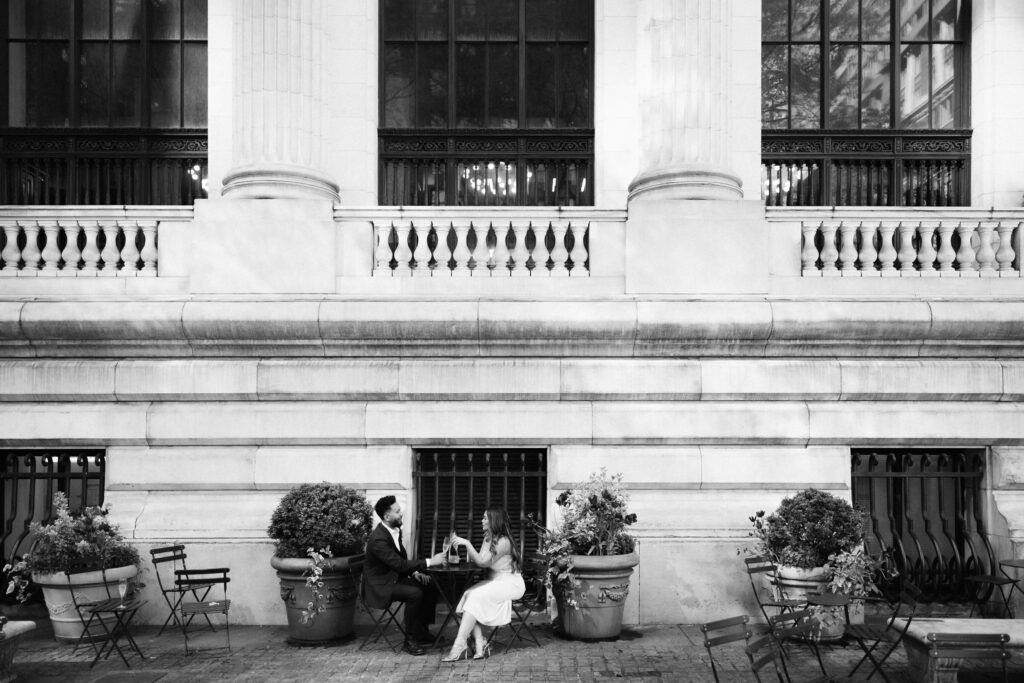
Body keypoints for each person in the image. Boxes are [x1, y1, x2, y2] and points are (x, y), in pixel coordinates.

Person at [363, 495, 448, 656]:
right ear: (387, 517)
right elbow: (399, 564)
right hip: (380, 585)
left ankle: (422, 632)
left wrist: (414, 572)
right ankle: (410, 641)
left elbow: (399, 561)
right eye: (397, 511)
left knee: (430, 584)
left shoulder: (395, 530)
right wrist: (430, 562)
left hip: (393, 577)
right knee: (414, 594)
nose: (401, 513)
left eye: (400, 510)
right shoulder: (378, 539)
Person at [441, 507, 525, 662]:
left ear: (494, 521)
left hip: (510, 584)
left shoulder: (504, 542)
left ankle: (459, 645)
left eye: (485, 518)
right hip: (495, 581)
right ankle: (480, 642)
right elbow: (480, 560)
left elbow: (483, 563)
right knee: (468, 594)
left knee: (475, 595)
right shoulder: (488, 538)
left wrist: (466, 543)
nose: (482, 520)